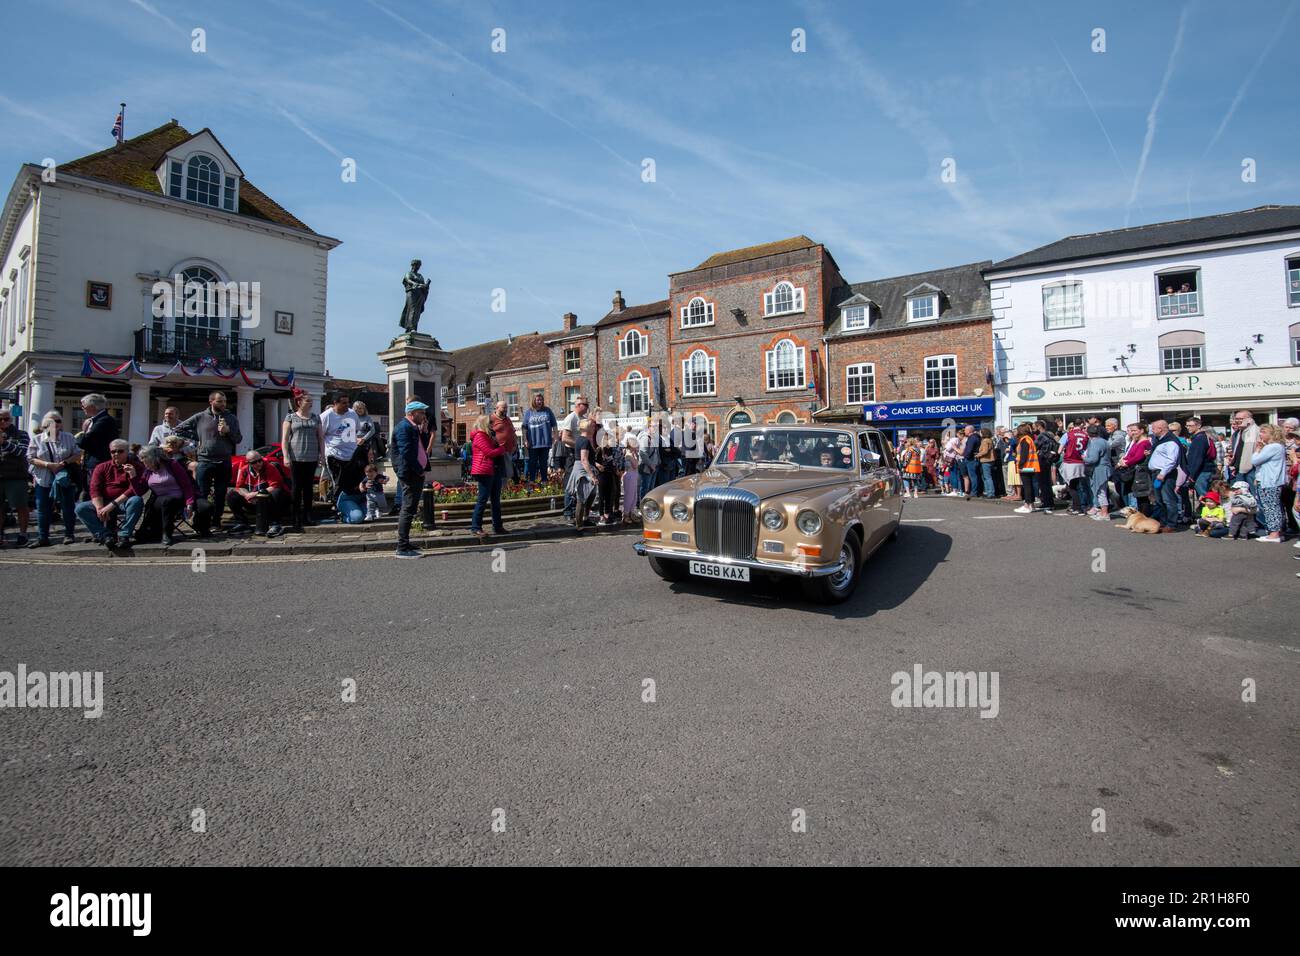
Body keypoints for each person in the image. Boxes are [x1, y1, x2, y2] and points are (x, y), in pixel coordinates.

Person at [174, 391, 241, 532]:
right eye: (220, 401)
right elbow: (179, 429)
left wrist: (228, 431)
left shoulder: (231, 418)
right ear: (211, 401)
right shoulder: (200, 416)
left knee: (220, 493)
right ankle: (200, 523)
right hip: (205, 460)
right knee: (202, 493)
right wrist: (198, 436)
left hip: (223, 461)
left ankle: (216, 522)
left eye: (224, 401)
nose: (223, 404)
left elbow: (238, 439)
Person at [75, 439, 146, 548]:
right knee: (81, 508)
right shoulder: (102, 467)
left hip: (124, 502)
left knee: (136, 500)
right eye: (113, 452)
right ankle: (104, 535)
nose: (116, 454)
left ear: (127, 452)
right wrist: (99, 508)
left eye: (120, 451)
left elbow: (137, 491)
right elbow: (95, 489)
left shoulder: (137, 467)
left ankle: (124, 534)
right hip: (105, 501)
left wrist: (133, 476)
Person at [25, 410, 80, 547]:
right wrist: (48, 465)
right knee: (43, 508)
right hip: (43, 478)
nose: (55, 424)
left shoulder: (69, 437)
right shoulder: (37, 439)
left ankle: (69, 534)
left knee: (68, 507)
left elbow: (77, 454)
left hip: (63, 478)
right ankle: (43, 537)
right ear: (45, 424)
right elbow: (30, 458)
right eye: (51, 421)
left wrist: (63, 463)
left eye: (58, 421)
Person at [137, 443, 209, 545]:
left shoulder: (172, 464)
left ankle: (201, 527)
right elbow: (139, 491)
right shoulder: (147, 470)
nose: (142, 460)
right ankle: (166, 534)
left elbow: (186, 485)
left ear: (153, 458)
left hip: (180, 498)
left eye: (144, 458)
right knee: (167, 501)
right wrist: (132, 477)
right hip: (160, 500)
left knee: (206, 507)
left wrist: (189, 503)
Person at [391, 400, 430, 559]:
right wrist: (419, 469)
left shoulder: (412, 428)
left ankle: (406, 543)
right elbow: (406, 453)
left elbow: (421, 447)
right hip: (409, 472)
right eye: (421, 413)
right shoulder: (403, 428)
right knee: (408, 508)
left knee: (411, 508)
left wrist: (424, 431)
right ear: (412, 413)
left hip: (414, 472)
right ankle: (402, 547)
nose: (424, 416)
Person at [282, 391, 324, 532]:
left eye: (311, 401)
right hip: (296, 457)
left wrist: (322, 455)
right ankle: (296, 517)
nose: (310, 403)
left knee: (308, 488)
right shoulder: (291, 417)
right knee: (296, 488)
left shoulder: (315, 418)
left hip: (311, 457)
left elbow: (320, 438)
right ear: (299, 402)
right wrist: (285, 456)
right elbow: (285, 439)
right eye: (308, 401)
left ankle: (308, 515)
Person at [226, 448, 290, 537]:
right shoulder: (244, 470)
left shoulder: (270, 467)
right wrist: (247, 495)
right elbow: (239, 487)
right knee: (232, 495)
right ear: (248, 463)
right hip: (253, 501)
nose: (258, 463)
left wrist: (255, 494)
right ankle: (242, 523)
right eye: (254, 462)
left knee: (277, 492)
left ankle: (275, 523)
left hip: (269, 502)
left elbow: (275, 485)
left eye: (260, 460)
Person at [75, 393, 119, 499]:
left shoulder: (104, 421)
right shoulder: (95, 420)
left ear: (93, 406)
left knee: (95, 494)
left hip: (98, 464)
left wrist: (83, 432)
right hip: (90, 463)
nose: (82, 408)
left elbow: (84, 442)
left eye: (84, 405)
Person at [468, 414, 506, 538]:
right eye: (490, 423)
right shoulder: (480, 436)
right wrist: (502, 449)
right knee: (482, 499)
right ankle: (476, 527)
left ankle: (498, 526)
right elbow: (489, 453)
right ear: (484, 424)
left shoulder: (489, 435)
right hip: (484, 470)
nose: (492, 424)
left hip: (493, 469)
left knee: (495, 500)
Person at [0, 408, 31, 547]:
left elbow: (21, 451)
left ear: (11, 420)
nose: (3, 422)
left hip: (16, 476)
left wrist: (4, 443)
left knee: (20, 506)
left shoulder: (21, 434)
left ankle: (23, 534)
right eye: (0, 419)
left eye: (6, 419)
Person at [320, 391, 362, 491]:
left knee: (352, 482)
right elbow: (320, 435)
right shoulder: (326, 416)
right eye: (343, 403)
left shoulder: (352, 414)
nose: (347, 405)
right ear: (335, 403)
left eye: (348, 402)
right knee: (339, 483)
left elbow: (356, 429)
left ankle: (350, 504)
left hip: (351, 454)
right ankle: (337, 504)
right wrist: (321, 454)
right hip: (334, 454)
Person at [1250, 424, 1286, 543]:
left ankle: (1274, 533)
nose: (1261, 434)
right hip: (1269, 480)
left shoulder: (1272, 447)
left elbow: (1255, 460)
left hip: (1270, 482)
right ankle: (1276, 532)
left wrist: (1257, 450)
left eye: (1264, 432)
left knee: (1270, 507)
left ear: (1272, 434)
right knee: (1273, 507)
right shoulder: (1277, 446)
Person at [1147, 419, 1182, 532]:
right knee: (1159, 500)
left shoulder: (1171, 441)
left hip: (1165, 474)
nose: (1152, 430)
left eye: (1153, 428)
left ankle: (1171, 524)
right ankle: (1163, 522)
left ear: (1160, 429)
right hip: (1156, 473)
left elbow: (1172, 460)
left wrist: (1162, 473)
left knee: (1168, 499)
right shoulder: (1159, 440)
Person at [566, 418, 600, 529]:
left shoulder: (581, 439)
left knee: (591, 494)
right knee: (581, 498)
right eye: (592, 426)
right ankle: (579, 525)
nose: (594, 428)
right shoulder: (584, 441)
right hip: (582, 470)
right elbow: (584, 460)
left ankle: (585, 519)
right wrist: (592, 476)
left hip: (583, 468)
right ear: (587, 428)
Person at [521, 393, 556, 483]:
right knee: (532, 463)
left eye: (541, 400)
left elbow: (554, 424)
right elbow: (524, 427)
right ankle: (532, 482)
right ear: (534, 400)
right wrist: (525, 440)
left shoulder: (547, 410)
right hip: (533, 443)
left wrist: (555, 437)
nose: (540, 401)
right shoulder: (529, 412)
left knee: (544, 463)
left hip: (545, 442)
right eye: (538, 400)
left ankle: (544, 481)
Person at [1059, 420, 1089, 515]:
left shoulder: (1068, 434)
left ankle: (1077, 507)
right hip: (1081, 462)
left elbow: (1060, 450)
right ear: (1081, 425)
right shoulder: (1086, 435)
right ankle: (1081, 505)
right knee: (1080, 486)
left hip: (1070, 462)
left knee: (1071, 487)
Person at [1083, 424, 1112, 521]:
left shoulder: (1095, 442)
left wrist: (1083, 458)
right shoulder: (1104, 441)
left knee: (1100, 491)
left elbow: (1093, 459)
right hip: (1105, 467)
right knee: (1101, 490)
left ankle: (1104, 513)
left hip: (1099, 468)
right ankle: (1102, 511)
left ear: (1088, 433)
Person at [1013, 424, 1042, 514]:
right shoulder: (1030, 439)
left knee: (1027, 486)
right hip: (1032, 466)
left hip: (1026, 466)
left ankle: (1027, 505)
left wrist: (1020, 465)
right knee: (1030, 486)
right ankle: (1031, 505)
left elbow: (1024, 455)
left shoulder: (1024, 440)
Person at [1226, 410, 1259, 488]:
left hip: (1250, 469)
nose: (1237, 421)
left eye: (1240, 419)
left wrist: (1242, 470)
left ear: (1249, 419)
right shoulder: (1240, 432)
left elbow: (1250, 453)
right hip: (1239, 469)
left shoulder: (1254, 431)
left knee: (1252, 495)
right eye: (1236, 419)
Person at [491, 400, 518, 484]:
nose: (506, 409)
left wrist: (515, 445)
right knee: (500, 474)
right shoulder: (491, 419)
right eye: (504, 408)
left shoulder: (508, 419)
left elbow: (513, 433)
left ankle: (505, 491)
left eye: (506, 408)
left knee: (507, 474)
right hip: (498, 452)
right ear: (497, 408)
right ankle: (500, 491)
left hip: (508, 451)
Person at [976, 428, 996, 499]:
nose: (980, 433)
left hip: (986, 460)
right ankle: (989, 492)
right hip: (990, 460)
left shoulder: (985, 441)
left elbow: (985, 451)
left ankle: (990, 493)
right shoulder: (990, 440)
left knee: (987, 477)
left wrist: (978, 455)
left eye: (980, 432)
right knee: (987, 477)